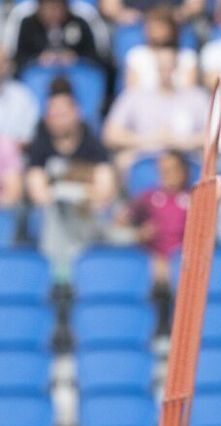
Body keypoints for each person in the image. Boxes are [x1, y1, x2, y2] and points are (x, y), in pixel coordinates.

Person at [25, 83, 116, 278]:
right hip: (54, 220)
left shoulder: (92, 143)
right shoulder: (41, 144)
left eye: (63, 113)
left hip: (87, 215)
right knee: (48, 212)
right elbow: (38, 193)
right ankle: (56, 272)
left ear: (77, 112)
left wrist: (78, 194)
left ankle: (89, 270)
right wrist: (66, 193)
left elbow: (105, 189)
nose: (58, 120)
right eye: (53, 114)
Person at [102, 46, 209, 173]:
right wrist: (149, 139)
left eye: (170, 67)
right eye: (162, 67)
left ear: (177, 67)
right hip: (146, 158)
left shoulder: (196, 97)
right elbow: (110, 135)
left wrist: (182, 141)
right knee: (122, 160)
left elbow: (213, 135)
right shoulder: (134, 96)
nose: (166, 72)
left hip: (186, 160)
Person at [121, 149, 190, 281]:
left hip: (184, 262)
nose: (166, 174)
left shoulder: (194, 199)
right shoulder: (148, 197)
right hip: (153, 261)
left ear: (183, 171)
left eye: (171, 169)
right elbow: (121, 221)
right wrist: (138, 234)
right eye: (163, 170)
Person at [121, 5, 199, 90]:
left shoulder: (187, 57)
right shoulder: (136, 56)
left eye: (160, 25)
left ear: (171, 28)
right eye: (150, 25)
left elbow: (191, 94)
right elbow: (132, 93)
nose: (153, 30)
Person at [13, 0, 103, 73]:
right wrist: (38, 59)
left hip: (74, 76)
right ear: (39, 7)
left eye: (58, 7)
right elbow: (19, 59)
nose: (54, 13)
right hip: (38, 77)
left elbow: (94, 57)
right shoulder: (28, 25)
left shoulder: (79, 23)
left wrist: (76, 57)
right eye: (49, 8)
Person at [0, 49, 39, 146]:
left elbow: (30, 136)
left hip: (17, 157)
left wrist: (7, 149)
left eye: (3, 62)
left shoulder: (23, 95)